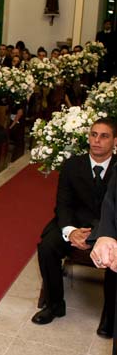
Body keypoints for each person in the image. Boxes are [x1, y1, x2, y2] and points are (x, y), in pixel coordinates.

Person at [32, 119, 117, 339]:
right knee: (47, 246)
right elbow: (63, 203)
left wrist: (97, 234)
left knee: (114, 254)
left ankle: (110, 316)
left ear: (115, 141)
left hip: (107, 228)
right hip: (73, 223)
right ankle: (54, 304)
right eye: (93, 134)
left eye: (104, 136)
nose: (96, 140)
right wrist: (70, 231)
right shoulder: (72, 165)